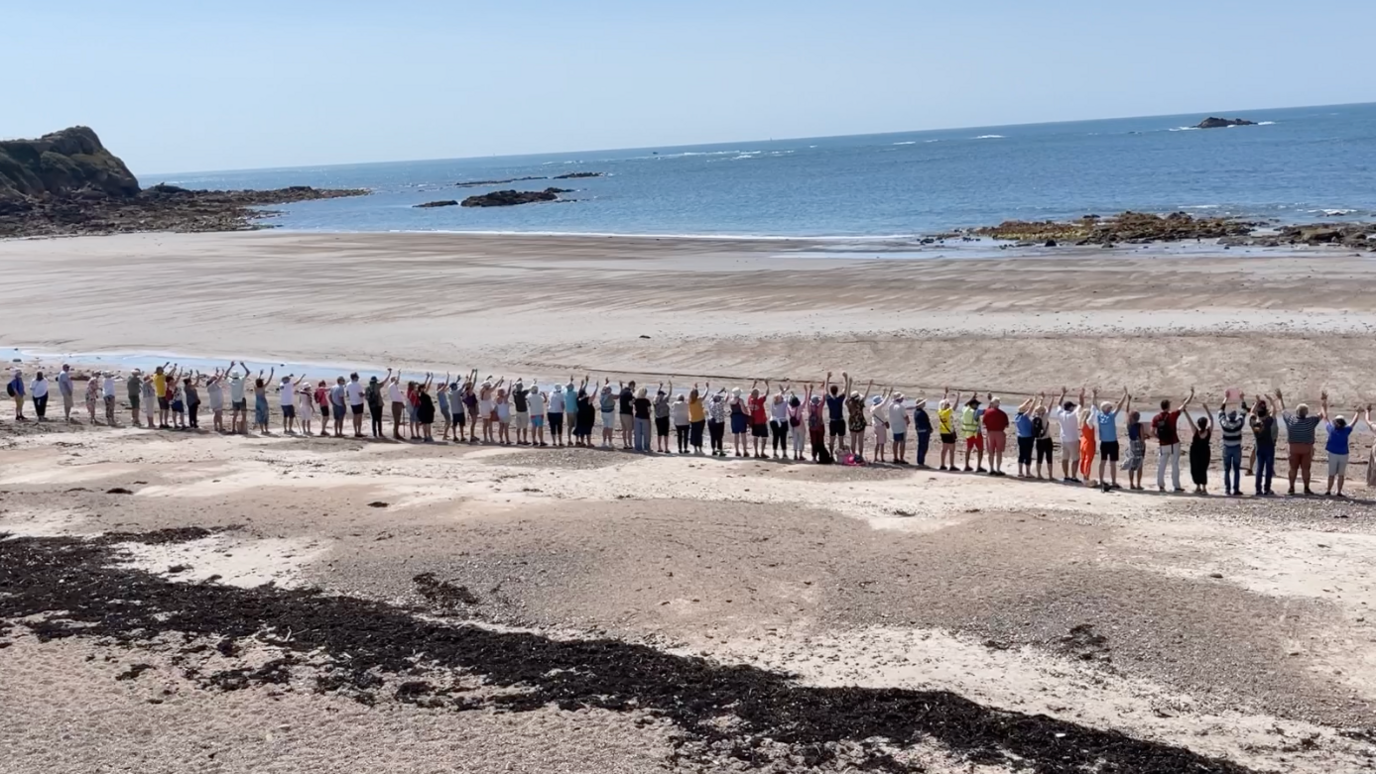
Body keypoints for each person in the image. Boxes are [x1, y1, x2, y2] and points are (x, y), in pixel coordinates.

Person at [1275, 389, 1320, 496]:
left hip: (1293, 448)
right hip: (1306, 448)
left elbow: (1283, 409)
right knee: (1306, 469)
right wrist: (1323, 402)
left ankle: (1291, 487)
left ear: (1297, 412)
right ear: (1306, 413)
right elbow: (1322, 414)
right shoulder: (1311, 421)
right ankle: (1306, 488)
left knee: (1292, 468)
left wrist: (1280, 398)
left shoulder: (1291, 420)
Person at [1152, 388, 1193, 493]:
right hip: (1173, 443)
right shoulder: (1172, 415)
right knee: (1175, 465)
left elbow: (1152, 432)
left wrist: (1159, 438)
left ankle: (1161, 485)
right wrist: (1191, 394)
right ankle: (1176, 486)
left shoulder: (1156, 418)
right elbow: (1184, 405)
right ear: (1168, 407)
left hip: (1163, 444)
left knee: (1162, 465)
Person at [1322, 393, 1360, 497]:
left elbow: (1325, 416)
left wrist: (1323, 402)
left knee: (1331, 474)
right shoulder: (1346, 430)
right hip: (1343, 454)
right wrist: (1357, 412)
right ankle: (1338, 492)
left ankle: (1329, 491)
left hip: (1333, 454)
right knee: (1341, 475)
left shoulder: (1331, 429)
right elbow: (1354, 421)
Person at [1092, 388, 1129, 491]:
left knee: (1109, 463)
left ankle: (1110, 481)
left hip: (1109, 443)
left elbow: (1118, 407)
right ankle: (1105, 480)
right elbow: (1095, 405)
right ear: (1105, 408)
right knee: (1105, 462)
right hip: (1108, 443)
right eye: (1109, 407)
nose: (1110, 409)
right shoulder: (1104, 416)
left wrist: (1124, 395)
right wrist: (1094, 395)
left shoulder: (1106, 416)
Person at [1216, 394, 1247, 496]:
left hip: (1227, 448)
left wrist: (1225, 398)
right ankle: (1236, 489)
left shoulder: (1224, 424)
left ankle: (1227, 489)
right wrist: (1242, 398)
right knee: (1236, 469)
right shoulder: (1239, 423)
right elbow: (1244, 411)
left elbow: (1220, 412)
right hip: (1236, 448)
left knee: (1227, 470)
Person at [1249, 398, 1278, 496]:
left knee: (1259, 469)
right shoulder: (1267, 422)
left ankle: (1258, 489)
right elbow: (1274, 411)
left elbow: (1251, 412)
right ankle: (1267, 489)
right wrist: (1272, 401)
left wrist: (1256, 403)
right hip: (1269, 447)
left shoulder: (1254, 423)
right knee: (1268, 469)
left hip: (1259, 447)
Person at [1182, 398, 1211, 494]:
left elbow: (1189, 420)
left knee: (1195, 469)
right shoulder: (1208, 431)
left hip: (1195, 452)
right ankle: (1203, 488)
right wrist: (1206, 408)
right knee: (1203, 469)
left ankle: (1198, 486)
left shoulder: (1196, 431)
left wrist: (1185, 410)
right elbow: (1211, 419)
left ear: (1198, 424)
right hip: (1205, 452)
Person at [1054, 388, 1083, 482]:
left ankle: (1066, 475)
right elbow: (1081, 404)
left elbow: (1058, 404)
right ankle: (1074, 476)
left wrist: (1062, 394)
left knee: (1065, 458)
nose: (1074, 408)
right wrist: (1081, 395)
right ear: (1070, 407)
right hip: (1073, 439)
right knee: (1075, 459)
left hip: (1063, 439)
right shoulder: (1073, 414)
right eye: (1072, 407)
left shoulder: (1061, 413)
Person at [982, 395, 1009, 476]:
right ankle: (998, 469)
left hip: (990, 433)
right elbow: (1006, 425)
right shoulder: (1003, 413)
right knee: (999, 452)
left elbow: (984, 423)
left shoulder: (987, 412)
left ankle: (991, 469)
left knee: (991, 452)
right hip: (1000, 433)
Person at [823, 372, 849, 455]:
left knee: (832, 439)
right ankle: (840, 455)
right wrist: (846, 379)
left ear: (831, 391)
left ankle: (831, 454)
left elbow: (825, 389)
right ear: (837, 391)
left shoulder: (829, 400)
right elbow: (845, 389)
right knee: (841, 440)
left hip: (833, 421)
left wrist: (827, 378)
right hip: (840, 421)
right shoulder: (839, 399)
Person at [846, 381, 873, 460]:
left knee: (853, 440)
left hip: (852, 423)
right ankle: (860, 455)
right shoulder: (860, 403)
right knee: (860, 441)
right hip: (860, 423)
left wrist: (849, 384)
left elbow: (847, 395)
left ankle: (853, 455)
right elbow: (866, 395)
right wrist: (869, 385)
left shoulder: (849, 403)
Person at [1122, 409, 1147, 490]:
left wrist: (1128, 402)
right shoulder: (1140, 426)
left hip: (1131, 446)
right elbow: (1142, 438)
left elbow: (1126, 413)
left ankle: (1131, 484)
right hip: (1139, 446)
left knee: (1131, 465)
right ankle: (1138, 484)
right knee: (1140, 465)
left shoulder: (1128, 425)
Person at [959, 393, 984, 473]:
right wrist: (990, 401)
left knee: (968, 449)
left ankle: (966, 465)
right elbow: (986, 411)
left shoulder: (965, 409)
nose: (978, 406)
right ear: (973, 405)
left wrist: (971, 398)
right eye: (977, 404)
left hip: (968, 433)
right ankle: (978, 467)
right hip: (976, 433)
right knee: (980, 450)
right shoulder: (975, 412)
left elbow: (965, 404)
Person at [1013, 395, 1036, 478]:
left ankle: (1020, 471)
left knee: (1021, 454)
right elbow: (1031, 409)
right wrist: (1034, 400)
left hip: (1020, 437)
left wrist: (1027, 401)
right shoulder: (1024, 416)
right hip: (1028, 437)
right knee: (1028, 454)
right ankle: (1028, 472)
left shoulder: (1016, 416)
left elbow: (1021, 408)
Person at [771, 384, 793, 460]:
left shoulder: (773, 404)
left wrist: (783, 390)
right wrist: (785, 390)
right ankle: (784, 454)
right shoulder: (783, 403)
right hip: (782, 422)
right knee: (783, 438)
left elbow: (781, 396)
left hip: (774, 422)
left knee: (775, 437)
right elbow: (785, 397)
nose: (782, 398)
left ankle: (774, 453)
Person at [1032, 402, 1053, 480]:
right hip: (1046, 439)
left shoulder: (1034, 417)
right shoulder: (1044, 417)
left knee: (1039, 458)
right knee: (1049, 458)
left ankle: (1039, 474)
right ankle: (1050, 476)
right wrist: (1052, 400)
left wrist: (1041, 400)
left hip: (1038, 440)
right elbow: (1049, 408)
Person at [748, 382, 770, 458]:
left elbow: (750, 391)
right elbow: (767, 393)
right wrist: (767, 385)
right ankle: (762, 452)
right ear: (756, 395)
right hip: (762, 422)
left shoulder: (750, 400)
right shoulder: (760, 400)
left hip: (754, 423)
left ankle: (756, 452)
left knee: (755, 437)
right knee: (764, 438)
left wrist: (754, 384)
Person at [937, 389, 957, 471]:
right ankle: (952, 465)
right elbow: (955, 406)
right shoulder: (947, 412)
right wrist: (958, 397)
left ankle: (942, 464)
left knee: (944, 449)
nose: (949, 405)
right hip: (949, 432)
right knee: (952, 450)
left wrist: (945, 394)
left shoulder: (940, 411)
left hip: (943, 431)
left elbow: (941, 402)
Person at [869, 389, 891, 463]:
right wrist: (889, 394)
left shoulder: (872, 407)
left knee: (877, 443)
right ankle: (882, 458)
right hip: (881, 427)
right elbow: (883, 403)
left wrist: (883, 393)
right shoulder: (877, 408)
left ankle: (875, 457)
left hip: (875, 426)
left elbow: (880, 401)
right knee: (882, 443)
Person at [1076, 403, 1096, 486]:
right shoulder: (1089, 423)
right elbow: (1093, 413)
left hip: (1083, 441)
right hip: (1089, 443)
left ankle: (1084, 475)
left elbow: (1077, 412)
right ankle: (1086, 477)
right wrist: (1093, 403)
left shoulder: (1081, 422)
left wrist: (1080, 404)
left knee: (1083, 459)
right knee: (1088, 460)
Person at [253, 368, 276, 434]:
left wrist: (260, 374)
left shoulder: (255, 388)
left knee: (259, 416)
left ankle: (262, 430)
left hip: (258, 403)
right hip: (263, 403)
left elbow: (256, 381)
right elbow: (269, 380)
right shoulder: (263, 387)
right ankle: (266, 430)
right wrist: (272, 373)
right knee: (265, 416)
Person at [912, 395, 933, 468]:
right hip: (924, 430)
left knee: (921, 445)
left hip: (920, 430)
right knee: (923, 446)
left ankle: (920, 461)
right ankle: (921, 461)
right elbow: (926, 421)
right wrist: (929, 428)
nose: (924, 404)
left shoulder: (916, 412)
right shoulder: (921, 412)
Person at [889, 392, 909, 464]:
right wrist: (908, 422)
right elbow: (905, 416)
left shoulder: (891, 405)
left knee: (895, 442)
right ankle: (901, 458)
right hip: (901, 427)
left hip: (894, 427)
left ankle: (895, 457)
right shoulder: (901, 407)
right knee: (902, 443)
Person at [687, 383, 708, 455]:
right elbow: (704, 395)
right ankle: (700, 449)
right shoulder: (698, 400)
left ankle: (695, 449)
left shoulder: (689, 401)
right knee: (699, 434)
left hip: (693, 420)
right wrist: (707, 388)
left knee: (694, 434)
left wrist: (695, 387)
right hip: (700, 419)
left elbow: (693, 394)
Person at [707, 387, 728, 456]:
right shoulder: (720, 403)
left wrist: (719, 391)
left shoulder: (710, 402)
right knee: (719, 436)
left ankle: (713, 450)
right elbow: (726, 397)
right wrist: (725, 392)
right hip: (719, 422)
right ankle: (720, 450)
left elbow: (712, 396)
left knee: (712, 436)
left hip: (711, 421)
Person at [729, 387, 749, 457]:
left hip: (734, 418)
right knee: (743, 435)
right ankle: (745, 451)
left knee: (736, 435)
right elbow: (743, 411)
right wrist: (748, 414)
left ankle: (737, 451)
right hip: (741, 418)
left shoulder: (731, 401)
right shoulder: (740, 401)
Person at [228, 366, 248, 435]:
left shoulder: (231, 381)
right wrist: (243, 365)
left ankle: (233, 429)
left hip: (234, 400)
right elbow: (247, 372)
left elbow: (226, 374)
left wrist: (231, 366)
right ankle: (243, 430)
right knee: (244, 415)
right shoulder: (241, 380)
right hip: (242, 399)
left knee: (235, 415)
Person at [417, 374, 436, 442]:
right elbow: (425, 386)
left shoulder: (421, 393)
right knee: (427, 423)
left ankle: (426, 436)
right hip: (426, 409)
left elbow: (426, 386)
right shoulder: (421, 394)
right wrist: (428, 379)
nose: (424, 388)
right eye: (423, 387)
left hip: (425, 409)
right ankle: (428, 436)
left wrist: (429, 378)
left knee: (425, 423)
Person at [346, 373, 366, 438]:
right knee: (359, 417)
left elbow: (347, 394)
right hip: (359, 402)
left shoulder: (348, 384)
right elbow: (361, 394)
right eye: (357, 377)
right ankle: (359, 431)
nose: (358, 378)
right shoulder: (357, 385)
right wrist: (365, 393)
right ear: (354, 377)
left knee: (355, 417)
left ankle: (356, 431)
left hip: (352, 402)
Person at [633, 386, 653, 452]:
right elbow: (649, 410)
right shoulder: (647, 401)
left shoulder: (636, 400)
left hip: (637, 417)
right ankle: (647, 447)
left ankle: (638, 447)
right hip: (645, 418)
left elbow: (634, 408)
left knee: (638, 433)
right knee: (646, 434)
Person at [655, 384, 674, 454]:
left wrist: (660, 386)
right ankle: (666, 448)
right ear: (662, 395)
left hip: (658, 418)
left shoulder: (655, 402)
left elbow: (657, 393)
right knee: (666, 434)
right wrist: (670, 386)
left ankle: (659, 447)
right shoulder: (664, 400)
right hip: (665, 418)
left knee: (659, 433)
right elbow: (670, 393)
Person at [388, 371, 407, 440]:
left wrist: (402, 403)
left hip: (398, 404)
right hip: (396, 404)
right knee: (397, 420)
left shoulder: (394, 387)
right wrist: (399, 374)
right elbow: (397, 398)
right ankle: (396, 434)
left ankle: (396, 433)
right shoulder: (392, 386)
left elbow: (398, 396)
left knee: (397, 420)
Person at [511, 379, 530, 446]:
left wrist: (516, 382)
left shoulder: (514, 393)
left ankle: (518, 439)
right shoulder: (522, 393)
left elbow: (513, 387)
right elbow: (529, 389)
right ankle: (524, 440)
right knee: (525, 427)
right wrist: (534, 382)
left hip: (517, 411)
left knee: (518, 427)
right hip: (523, 412)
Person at [619, 380, 636, 449]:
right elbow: (630, 404)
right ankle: (630, 444)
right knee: (629, 429)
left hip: (621, 412)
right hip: (627, 413)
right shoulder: (629, 394)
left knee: (624, 430)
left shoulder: (622, 391)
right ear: (632, 385)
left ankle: (625, 444)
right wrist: (634, 400)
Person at [548, 383, 565, 447]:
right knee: (559, 427)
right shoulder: (561, 395)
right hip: (558, 412)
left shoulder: (551, 393)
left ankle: (554, 442)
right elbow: (562, 404)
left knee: (552, 427)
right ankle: (560, 441)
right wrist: (563, 410)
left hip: (550, 412)